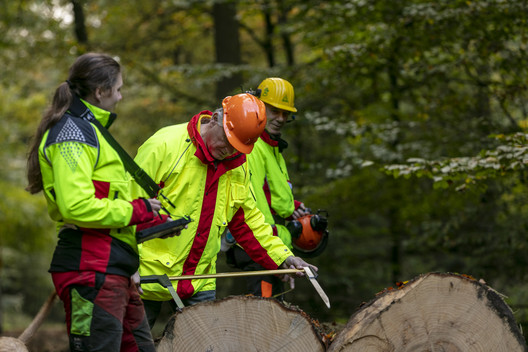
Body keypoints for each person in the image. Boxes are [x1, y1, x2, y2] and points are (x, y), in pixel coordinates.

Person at [131, 93, 317, 329]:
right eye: (227, 141)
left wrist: (283, 257)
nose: (229, 150)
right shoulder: (165, 146)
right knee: (133, 345)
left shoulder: (238, 163)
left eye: (237, 147)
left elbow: (247, 220)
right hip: (146, 277)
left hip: (199, 280)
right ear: (216, 118)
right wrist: (127, 266)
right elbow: (128, 207)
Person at [26, 53, 166, 352]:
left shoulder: (93, 132)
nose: (121, 95)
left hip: (115, 268)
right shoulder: (72, 135)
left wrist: (150, 220)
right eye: (117, 89)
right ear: (100, 92)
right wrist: (136, 210)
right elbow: (75, 206)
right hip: (90, 269)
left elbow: (110, 201)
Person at [224, 78, 315, 300]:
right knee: (261, 316)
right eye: (275, 111)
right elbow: (251, 202)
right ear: (259, 108)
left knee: (273, 312)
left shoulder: (272, 146)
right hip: (256, 248)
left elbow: (271, 194)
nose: (281, 119)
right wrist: (276, 252)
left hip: (269, 246)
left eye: (285, 114)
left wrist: (292, 208)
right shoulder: (253, 147)